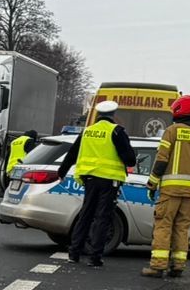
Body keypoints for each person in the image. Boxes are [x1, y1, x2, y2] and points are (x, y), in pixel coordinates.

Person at [56, 100, 136, 267]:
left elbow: (72, 154)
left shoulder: (87, 131)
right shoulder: (117, 131)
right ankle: (95, 257)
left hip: (89, 179)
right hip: (109, 181)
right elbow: (130, 159)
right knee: (102, 217)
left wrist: (61, 173)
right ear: (113, 115)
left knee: (85, 215)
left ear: (98, 115)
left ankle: (74, 253)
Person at [144, 95, 190, 278]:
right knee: (182, 229)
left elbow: (161, 160)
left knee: (163, 226)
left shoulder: (171, 131)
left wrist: (152, 183)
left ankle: (157, 266)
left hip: (170, 191)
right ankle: (178, 266)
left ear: (179, 110)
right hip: (189, 193)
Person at [0, 128, 38, 194]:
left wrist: (5, 170)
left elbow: (8, 156)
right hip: (22, 168)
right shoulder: (29, 140)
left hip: (11, 169)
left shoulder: (14, 141)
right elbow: (32, 155)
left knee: (12, 188)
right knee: (23, 189)